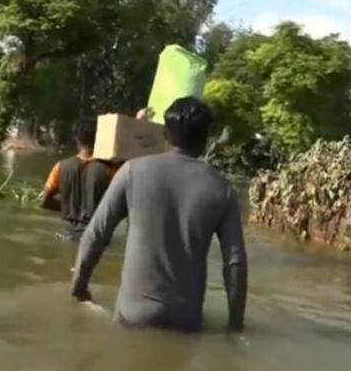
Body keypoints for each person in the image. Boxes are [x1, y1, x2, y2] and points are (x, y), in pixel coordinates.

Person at [71, 97, 248, 333]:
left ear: (165, 134)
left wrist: (79, 288)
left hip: (132, 316)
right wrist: (235, 326)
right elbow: (235, 262)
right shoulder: (221, 189)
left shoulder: (132, 171)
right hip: (186, 320)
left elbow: (96, 234)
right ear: (206, 139)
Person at [40, 118, 114, 241]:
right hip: (94, 237)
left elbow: (44, 201)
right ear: (98, 138)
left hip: (66, 235)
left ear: (76, 139)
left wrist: (66, 206)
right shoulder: (109, 170)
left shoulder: (60, 167)